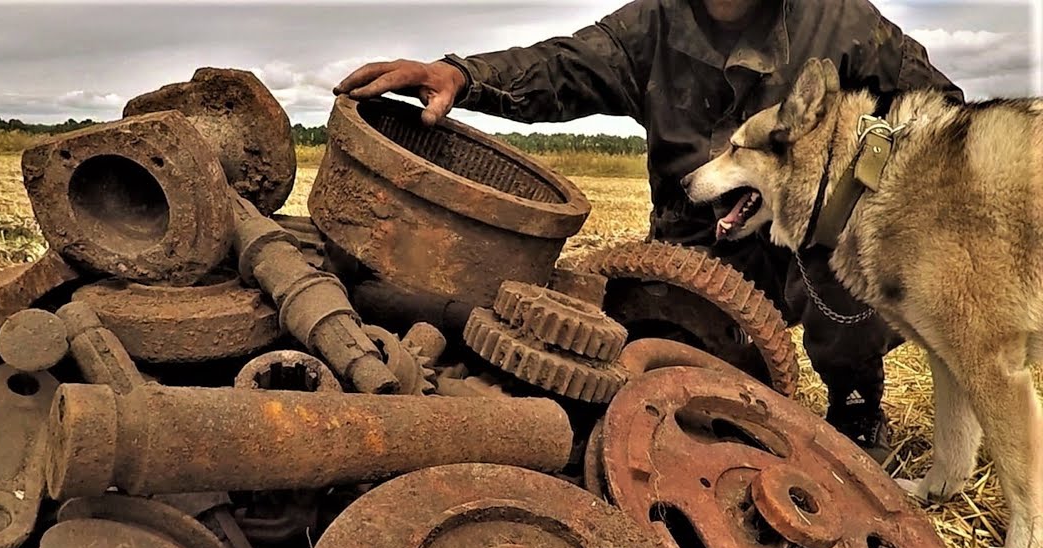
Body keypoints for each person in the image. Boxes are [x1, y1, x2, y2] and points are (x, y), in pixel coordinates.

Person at [334, 0, 963, 461]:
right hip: (700, 245)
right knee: (674, 395)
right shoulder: (651, 25)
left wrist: (865, 188)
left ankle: (856, 413)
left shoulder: (844, 23)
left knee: (853, 294)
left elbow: (942, 113)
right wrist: (464, 76)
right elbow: (563, 66)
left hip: (813, 237)